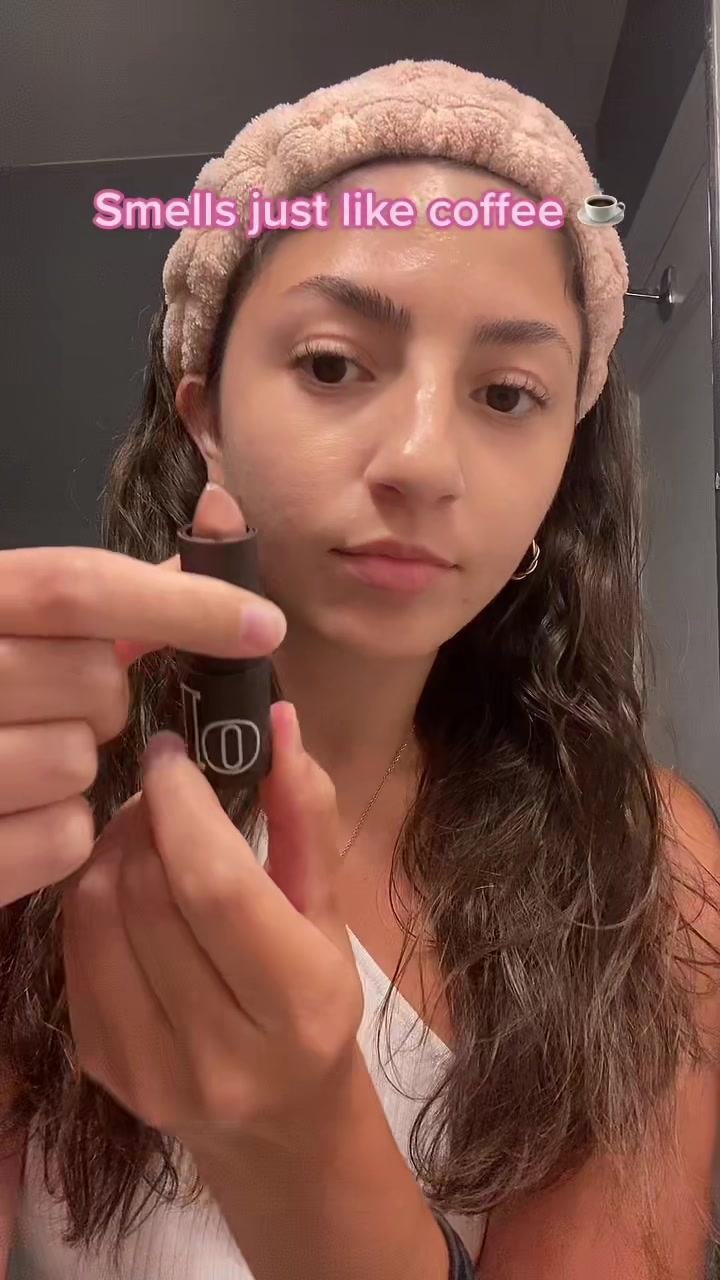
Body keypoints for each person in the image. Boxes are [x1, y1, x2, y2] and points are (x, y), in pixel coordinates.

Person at [0, 58, 718, 1280]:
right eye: (334, 364)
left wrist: (300, 1146)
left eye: (508, 393)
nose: (424, 460)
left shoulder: (646, 866)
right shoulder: (39, 809)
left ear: (563, 461)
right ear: (206, 416)